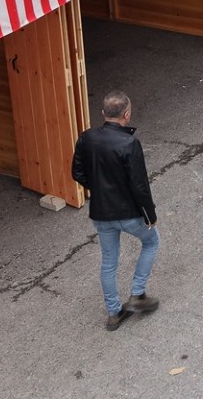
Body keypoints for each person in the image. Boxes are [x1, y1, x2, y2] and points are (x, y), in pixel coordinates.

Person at [72, 90, 161, 331]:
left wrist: (98, 189)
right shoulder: (129, 143)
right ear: (127, 114)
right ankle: (137, 294)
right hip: (128, 213)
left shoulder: (86, 137)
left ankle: (113, 313)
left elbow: (77, 173)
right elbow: (139, 185)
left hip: (101, 214)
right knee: (151, 242)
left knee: (109, 261)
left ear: (103, 113)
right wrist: (149, 215)